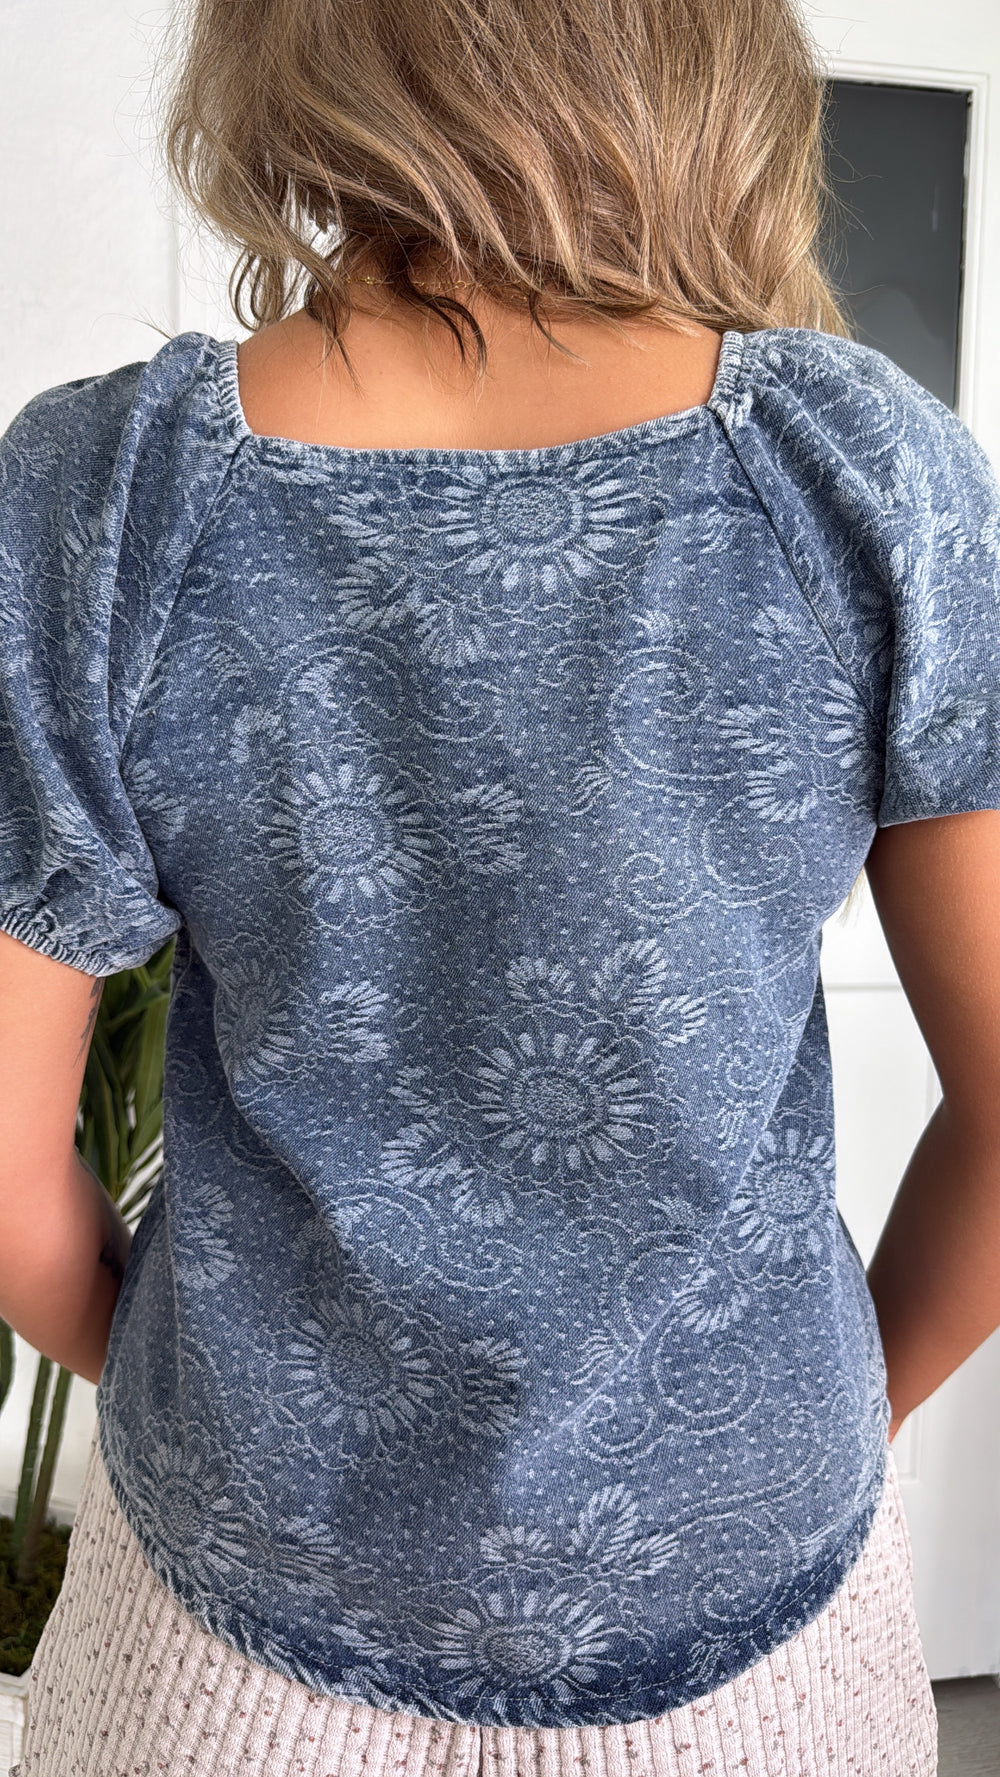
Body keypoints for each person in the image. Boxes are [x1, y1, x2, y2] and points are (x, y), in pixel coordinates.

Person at [1, 0, 999, 1767]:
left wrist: (191, 1389)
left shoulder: (108, 497)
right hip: (756, 1628)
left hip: (233, 1627)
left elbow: (5, 1174)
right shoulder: (868, 474)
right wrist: (844, 1405)